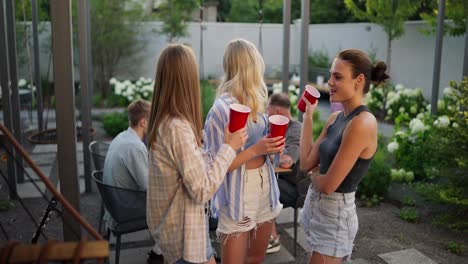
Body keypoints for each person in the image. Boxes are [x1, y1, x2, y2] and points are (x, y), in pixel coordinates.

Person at [146, 44, 247, 264]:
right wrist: (229, 147)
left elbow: (190, 177)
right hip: (184, 234)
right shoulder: (177, 128)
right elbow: (201, 190)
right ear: (187, 80)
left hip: (179, 230)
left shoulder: (165, 121)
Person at [299, 49, 388, 263]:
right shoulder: (335, 118)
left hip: (334, 218)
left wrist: (315, 176)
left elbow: (329, 185)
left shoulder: (362, 123)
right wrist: (308, 117)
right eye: (330, 75)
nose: (329, 82)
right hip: (317, 211)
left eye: (337, 77)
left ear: (359, 80)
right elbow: (306, 162)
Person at [203, 38, 284, 264]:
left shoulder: (256, 102)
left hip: (265, 184)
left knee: (257, 257)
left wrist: (273, 147)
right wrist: (256, 149)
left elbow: (264, 149)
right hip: (239, 190)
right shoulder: (221, 110)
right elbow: (214, 168)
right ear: (250, 67)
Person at [102, 99, 164, 263]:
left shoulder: (122, 137)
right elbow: (148, 188)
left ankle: (161, 250)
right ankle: (158, 254)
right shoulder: (134, 147)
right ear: (144, 122)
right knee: (175, 203)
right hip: (125, 208)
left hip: (114, 204)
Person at [265, 93, 306, 254]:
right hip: (282, 180)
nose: (266, 113)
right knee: (259, 181)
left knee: (264, 187)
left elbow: (288, 160)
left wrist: (263, 151)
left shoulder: (296, 129)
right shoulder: (274, 127)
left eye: (267, 109)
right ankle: (256, 231)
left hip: (297, 188)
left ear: (277, 111)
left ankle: (272, 238)